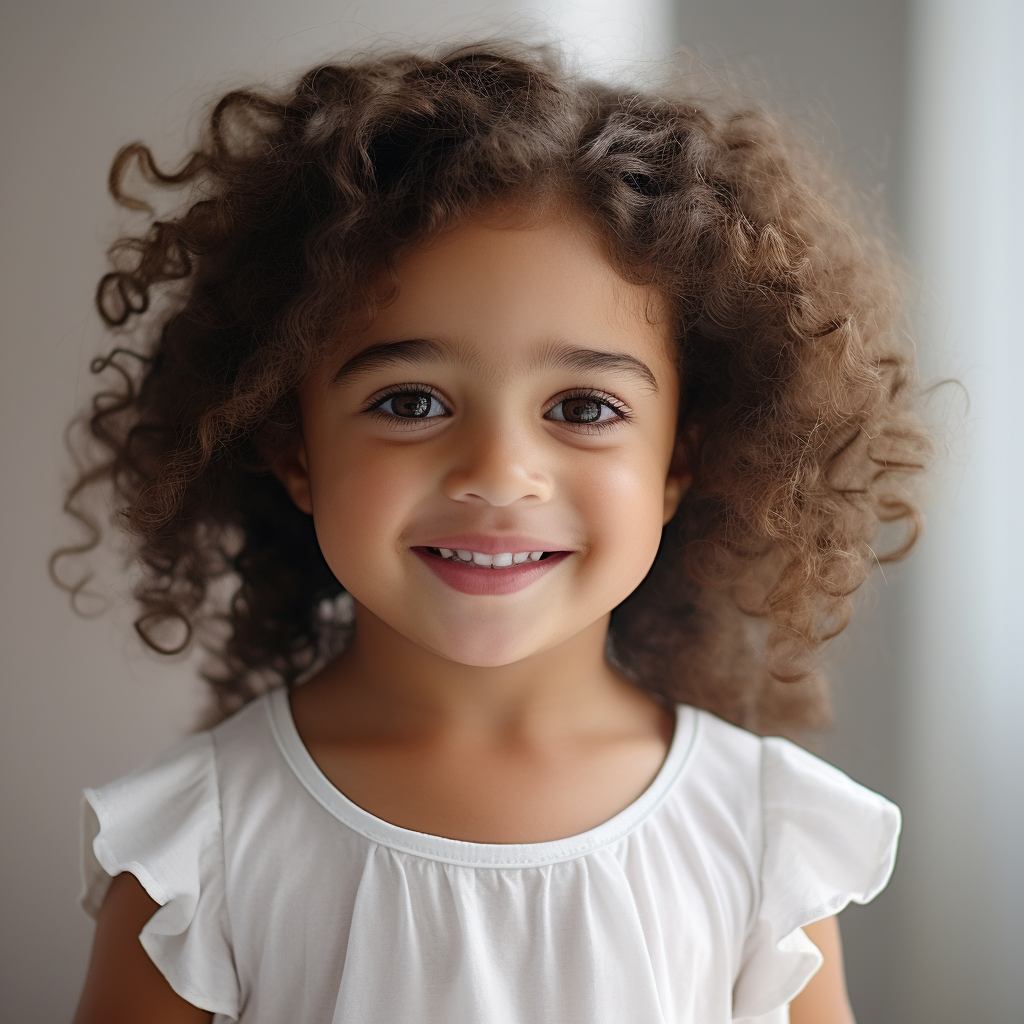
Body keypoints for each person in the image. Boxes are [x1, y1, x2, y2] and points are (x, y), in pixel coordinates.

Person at [63, 41, 928, 1024]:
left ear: (679, 463)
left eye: (585, 408)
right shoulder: (196, 853)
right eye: (413, 399)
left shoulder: (767, 838)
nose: (496, 473)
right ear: (293, 448)